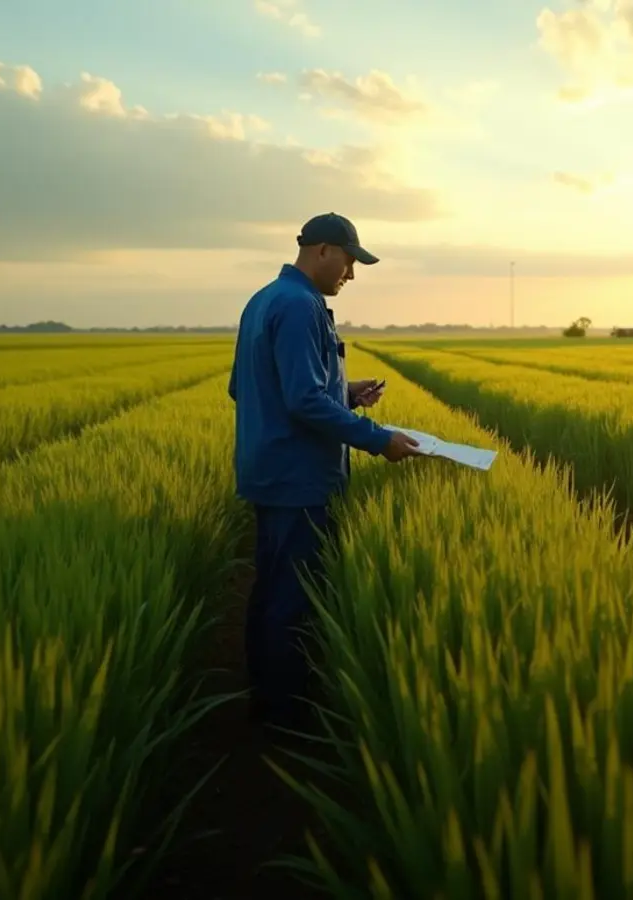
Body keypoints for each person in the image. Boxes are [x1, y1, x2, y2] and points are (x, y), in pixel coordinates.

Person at [227, 212, 423, 731]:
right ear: (323, 251)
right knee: (293, 598)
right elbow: (302, 400)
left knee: (269, 590)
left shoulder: (263, 300)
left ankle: (265, 701)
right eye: (351, 262)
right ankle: (288, 719)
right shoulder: (300, 306)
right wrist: (379, 440)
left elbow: (247, 387)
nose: (351, 275)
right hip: (300, 480)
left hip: (270, 472)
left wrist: (344, 393)